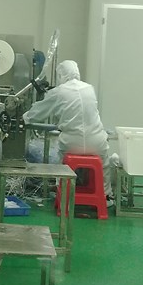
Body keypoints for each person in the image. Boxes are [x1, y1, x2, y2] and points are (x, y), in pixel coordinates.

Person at [23, 59, 113, 199]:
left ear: (61, 75)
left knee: (62, 164)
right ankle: (106, 196)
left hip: (72, 143)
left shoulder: (59, 92)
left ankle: (63, 193)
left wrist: (24, 118)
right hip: (96, 141)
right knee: (103, 165)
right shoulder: (89, 88)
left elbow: (39, 112)